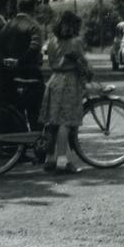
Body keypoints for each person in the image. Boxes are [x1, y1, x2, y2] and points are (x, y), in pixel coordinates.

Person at [39, 11, 93, 173]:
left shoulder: (51, 41)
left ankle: (49, 159)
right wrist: (89, 74)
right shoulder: (75, 42)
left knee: (52, 122)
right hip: (69, 82)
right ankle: (62, 162)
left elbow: (51, 63)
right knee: (66, 123)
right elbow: (83, 64)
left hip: (54, 80)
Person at [0, 0, 44, 129]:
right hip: (30, 74)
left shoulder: (7, 26)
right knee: (36, 111)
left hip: (10, 75)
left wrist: (4, 60)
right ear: (33, 8)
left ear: (18, 7)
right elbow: (34, 48)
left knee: (15, 111)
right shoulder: (34, 26)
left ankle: (19, 142)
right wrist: (19, 61)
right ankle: (37, 140)